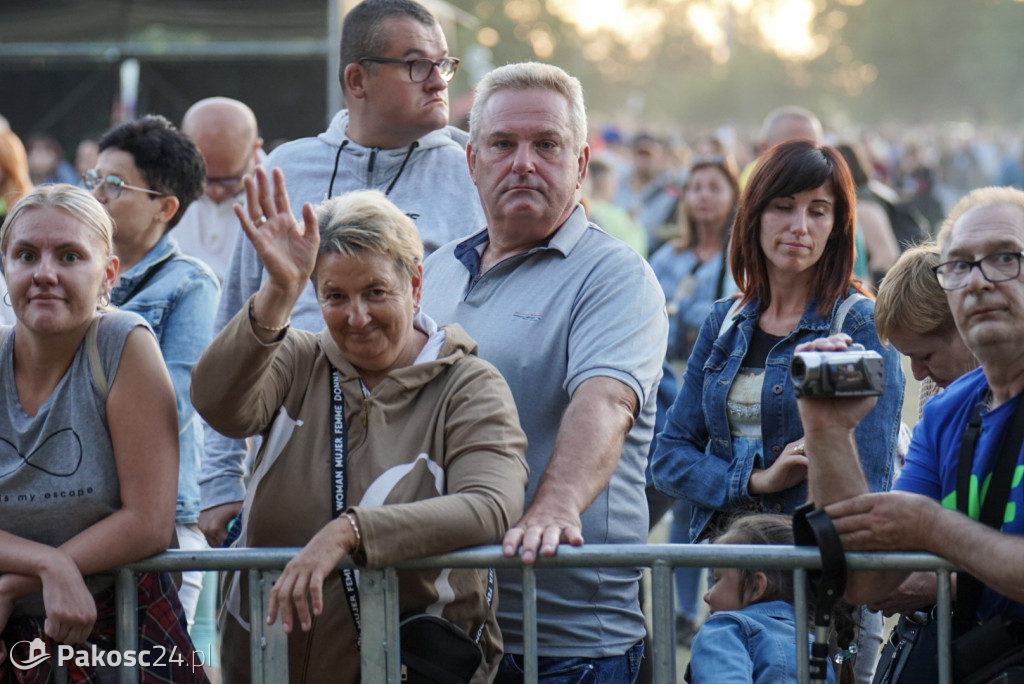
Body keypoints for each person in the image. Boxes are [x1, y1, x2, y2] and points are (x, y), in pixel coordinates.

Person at [191, 168, 528, 684]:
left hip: (408, 666)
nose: (357, 316)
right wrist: (278, 293)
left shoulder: (468, 383)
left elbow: (490, 505)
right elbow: (219, 405)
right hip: (267, 662)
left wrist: (350, 533)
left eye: (375, 292)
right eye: (335, 296)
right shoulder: (297, 358)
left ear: (415, 285)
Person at [200, 0, 486, 549]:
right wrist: (219, 480)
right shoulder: (286, 169)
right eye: (417, 65)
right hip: (288, 468)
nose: (439, 81)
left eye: (444, 65)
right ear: (358, 79)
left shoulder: (472, 172)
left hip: (424, 473)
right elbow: (234, 327)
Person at [422, 61, 667, 682]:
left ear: (581, 163)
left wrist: (556, 506)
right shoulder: (437, 274)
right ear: (473, 161)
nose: (524, 162)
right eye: (503, 145)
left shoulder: (614, 276)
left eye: (547, 145)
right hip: (449, 628)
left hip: (565, 643)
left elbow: (607, 402)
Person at [650, 140, 904, 681]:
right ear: (755, 214)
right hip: (733, 585)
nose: (800, 226)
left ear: (839, 224)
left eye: (819, 210)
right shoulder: (725, 321)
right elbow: (668, 459)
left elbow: (870, 484)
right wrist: (757, 480)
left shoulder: (857, 326)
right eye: (784, 206)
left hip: (818, 590)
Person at [0, 185, 206, 683]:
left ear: (107, 275)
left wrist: (27, 578)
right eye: (26, 255)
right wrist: (48, 566)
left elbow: (150, 521)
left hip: (121, 628)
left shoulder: (122, 343)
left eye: (70, 256)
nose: (44, 273)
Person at [804, 187, 1024, 643]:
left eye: (1006, 257)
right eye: (960, 265)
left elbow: (924, 531)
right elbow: (868, 580)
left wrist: (931, 528)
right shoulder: (947, 413)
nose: (978, 281)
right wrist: (827, 431)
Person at [89, 115, 219, 630]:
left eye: (114, 185)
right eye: (92, 179)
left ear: (165, 208)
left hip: (158, 525)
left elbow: (175, 411)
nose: (96, 194)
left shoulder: (190, 286)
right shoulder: (66, 278)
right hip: (74, 518)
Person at [685, 514, 843, 684]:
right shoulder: (816, 648)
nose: (706, 595)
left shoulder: (726, 629)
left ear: (756, 586)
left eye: (717, 579)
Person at [650, 153, 740, 372]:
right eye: (696, 188)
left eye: (714, 188)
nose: (704, 196)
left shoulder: (741, 260)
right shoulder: (667, 256)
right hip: (663, 370)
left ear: (734, 198)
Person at [178, 97, 265, 281]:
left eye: (230, 180)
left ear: (255, 150)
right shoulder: (159, 184)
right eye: (204, 179)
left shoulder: (281, 193)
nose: (216, 191)